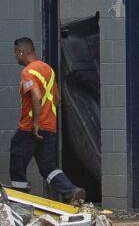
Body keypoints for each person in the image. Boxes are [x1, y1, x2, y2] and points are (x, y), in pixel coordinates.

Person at [8, 36, 83, 203]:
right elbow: (56, 97)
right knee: (48, 166)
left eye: (15, 53)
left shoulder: (28, 72)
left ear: (22, 52)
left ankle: (19, 200)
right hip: (49, 126)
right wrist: (46, 117)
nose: (15, 57)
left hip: (31, 127)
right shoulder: (47, 69)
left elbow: (35, 94)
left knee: (17, 157)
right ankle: (71, 191)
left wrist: (35, 122)